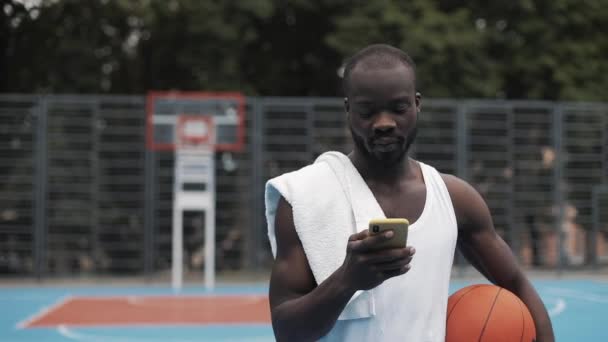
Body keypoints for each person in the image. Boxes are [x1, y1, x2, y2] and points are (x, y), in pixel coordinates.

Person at [265, 44, 554, 341]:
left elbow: (516, 284)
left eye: (398, 108)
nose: (384, 123)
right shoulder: (304, 198)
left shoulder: (455, 199)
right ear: (348, 109)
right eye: (368, 111)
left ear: (417, 104)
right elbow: (287, 331)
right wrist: (347, 280)